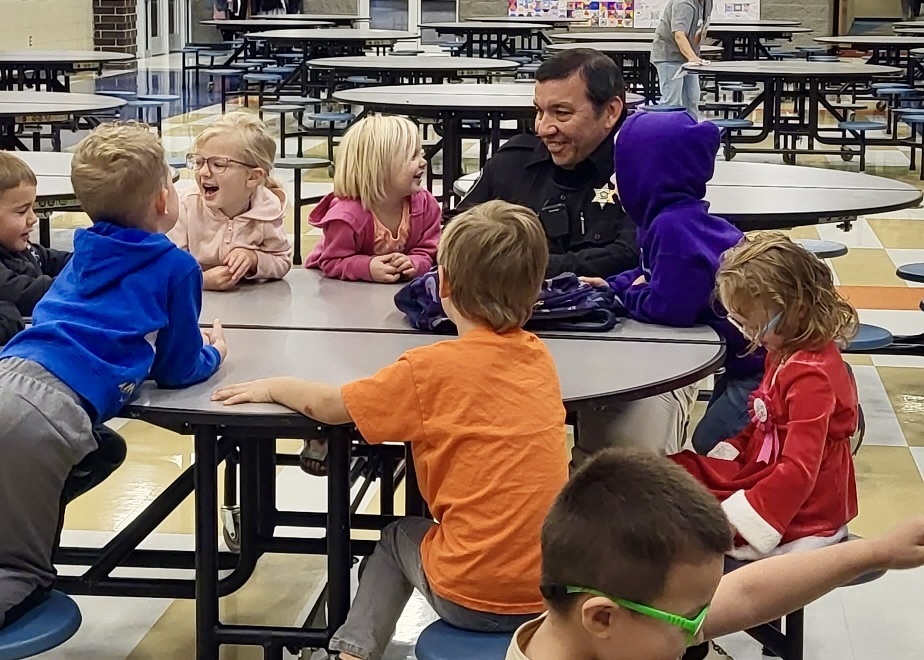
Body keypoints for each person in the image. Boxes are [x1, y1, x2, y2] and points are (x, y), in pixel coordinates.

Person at [213, 201, 569, 660]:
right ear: (536, 289)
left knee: (395, 538)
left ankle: (352, 650)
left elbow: (330, 406)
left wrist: (271, 385)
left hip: (468, 593)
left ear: (443, 284)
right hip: (550, 594)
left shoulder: (428, 370)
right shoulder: (540, 359)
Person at [0, 121, 227, 629]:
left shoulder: (83, 250)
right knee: (20, 570)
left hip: (10, 374)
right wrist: (214, 352)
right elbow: (178, 369)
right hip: (48, 414)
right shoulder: (176, 267)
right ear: (164, 201)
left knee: (91, 457)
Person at [509, 448, 924, 660]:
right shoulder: (631, 636)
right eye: (692, 617)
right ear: (601, 616)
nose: (700, 626)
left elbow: (745, 594)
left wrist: (878, 552)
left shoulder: (620, 632)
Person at [580, 112, 762, 458]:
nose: (615, 178)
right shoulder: (663, 219)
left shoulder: (674, 228)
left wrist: (629, 295)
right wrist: (613, 284)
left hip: (762, 367)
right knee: (724, 437)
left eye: (624, 168)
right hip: (744, 359)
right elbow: (648, 272)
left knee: (713, 443)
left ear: (649, 175)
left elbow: (670, 308)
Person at [672, 233, 858, 560]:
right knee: (678, 474)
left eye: (753, 327)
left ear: (797, 311)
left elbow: (800, 470)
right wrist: (735, 446)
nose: (749, 337)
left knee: (687, 515)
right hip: (769, 471)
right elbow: (764, 423)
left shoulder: (810, 377)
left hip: (807, 505)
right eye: (740, 325)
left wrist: (743, 523)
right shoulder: (784, 349)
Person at [456, 49, 637, 279]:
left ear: (610, 112)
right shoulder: (512, 162)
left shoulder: (638, 177)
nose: (543, 128)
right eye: (539, 112)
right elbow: (457, 236)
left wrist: (516, 265)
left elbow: (630, 256)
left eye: (561, 113)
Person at [305, 114, 440, 284]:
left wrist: (415, 263)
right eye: (413, 156)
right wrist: (367, 267)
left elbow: (428, 251)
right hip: (339, 292)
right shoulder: (346, 217)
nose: (423, 162)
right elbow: (331, 262)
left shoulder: (426, 205)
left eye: (421, 154)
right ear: (380, 168)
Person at [169, 112, 292, 290]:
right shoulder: (185, 207)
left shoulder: (267, 210)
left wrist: (253, 259)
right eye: (199, 162)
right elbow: (168, 268)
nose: (203, 172)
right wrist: (201, 280)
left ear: (253, 178)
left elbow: (282, 260)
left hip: (248, 307)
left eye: (218, 165)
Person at [0, 153, 70, 344]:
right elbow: (26, 293)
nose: (33, 218)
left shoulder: (19, 247)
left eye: (33, 208)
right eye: (22, 211)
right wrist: (82, 282)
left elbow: (53, 259)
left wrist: (96, 260)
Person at [651, 0, 712, 116]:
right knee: (672, 102)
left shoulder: (707, 2)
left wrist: (694, 57)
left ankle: (690, 131)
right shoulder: (683, 3)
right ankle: (668, 133)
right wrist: (692, 57)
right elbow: (679, 35)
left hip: (688, 58)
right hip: (669, 56)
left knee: (692, 99)